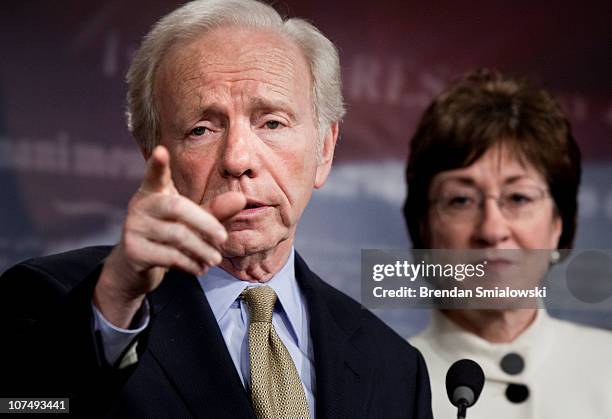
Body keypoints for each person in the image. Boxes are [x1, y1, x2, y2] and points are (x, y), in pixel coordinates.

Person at [0, 0, 433, 418]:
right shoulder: (57, 300)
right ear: (152, 152)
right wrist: (116, 296)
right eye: (202, 129)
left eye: (272, 123)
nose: (238, 159)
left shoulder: (394, 368)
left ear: (324, 149)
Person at [403, 69, 612, 418]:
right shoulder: (379, 386)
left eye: (518, 198)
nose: (492, 229)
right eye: (461, 200)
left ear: (559, 223)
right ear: (423, 227)